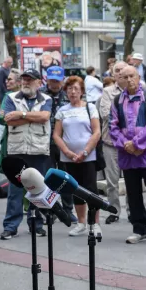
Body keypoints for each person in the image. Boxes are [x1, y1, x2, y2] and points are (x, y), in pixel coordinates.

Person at [111, 64, 146, 246]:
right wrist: (126, 145)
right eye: (125, 77)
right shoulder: (117, 100)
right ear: (120, 79)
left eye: (132, 76)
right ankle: (139, 229)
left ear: (138, 77)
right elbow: (113, 128)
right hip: (128, 156)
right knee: (133, 194)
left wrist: (137, 144)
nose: (129, 80)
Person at [0, 68, 53, 240]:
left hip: (38, 150)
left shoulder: (46, 98)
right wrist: (32, 117)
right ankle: (10, 226)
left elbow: (44, 116)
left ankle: (36, 225)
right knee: (15, 191)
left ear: (39, 83)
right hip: (17, 150)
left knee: (37, 189)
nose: (25, 82)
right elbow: (7, 119)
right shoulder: (10, 97)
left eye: (30, 79)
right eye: (24, 79)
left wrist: (21, 115)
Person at [53, 76, 102, 239]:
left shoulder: (90, 108)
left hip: (88, 157)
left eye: (76, 88)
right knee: (75, 189)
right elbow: (56, 135)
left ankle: (94, 224)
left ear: (81, 91)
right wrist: (67, 152)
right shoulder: (62, 110)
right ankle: (81, 223)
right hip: (69, 158)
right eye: (69, 89)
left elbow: (96, 132)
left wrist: (85, 152)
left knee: (91, 189)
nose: (72, 92)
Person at [96, 61, 127, 224]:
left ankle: (132, 210)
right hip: (111, 142)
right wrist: (128, 114)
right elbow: (106, 114)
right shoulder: (107, 92)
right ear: (113, 74)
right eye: (117, 71)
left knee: (131, 180)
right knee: (112, 181)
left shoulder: (137, 89)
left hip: (130, 144)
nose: (121, 73)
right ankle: (114, 210)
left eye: (123, 70)